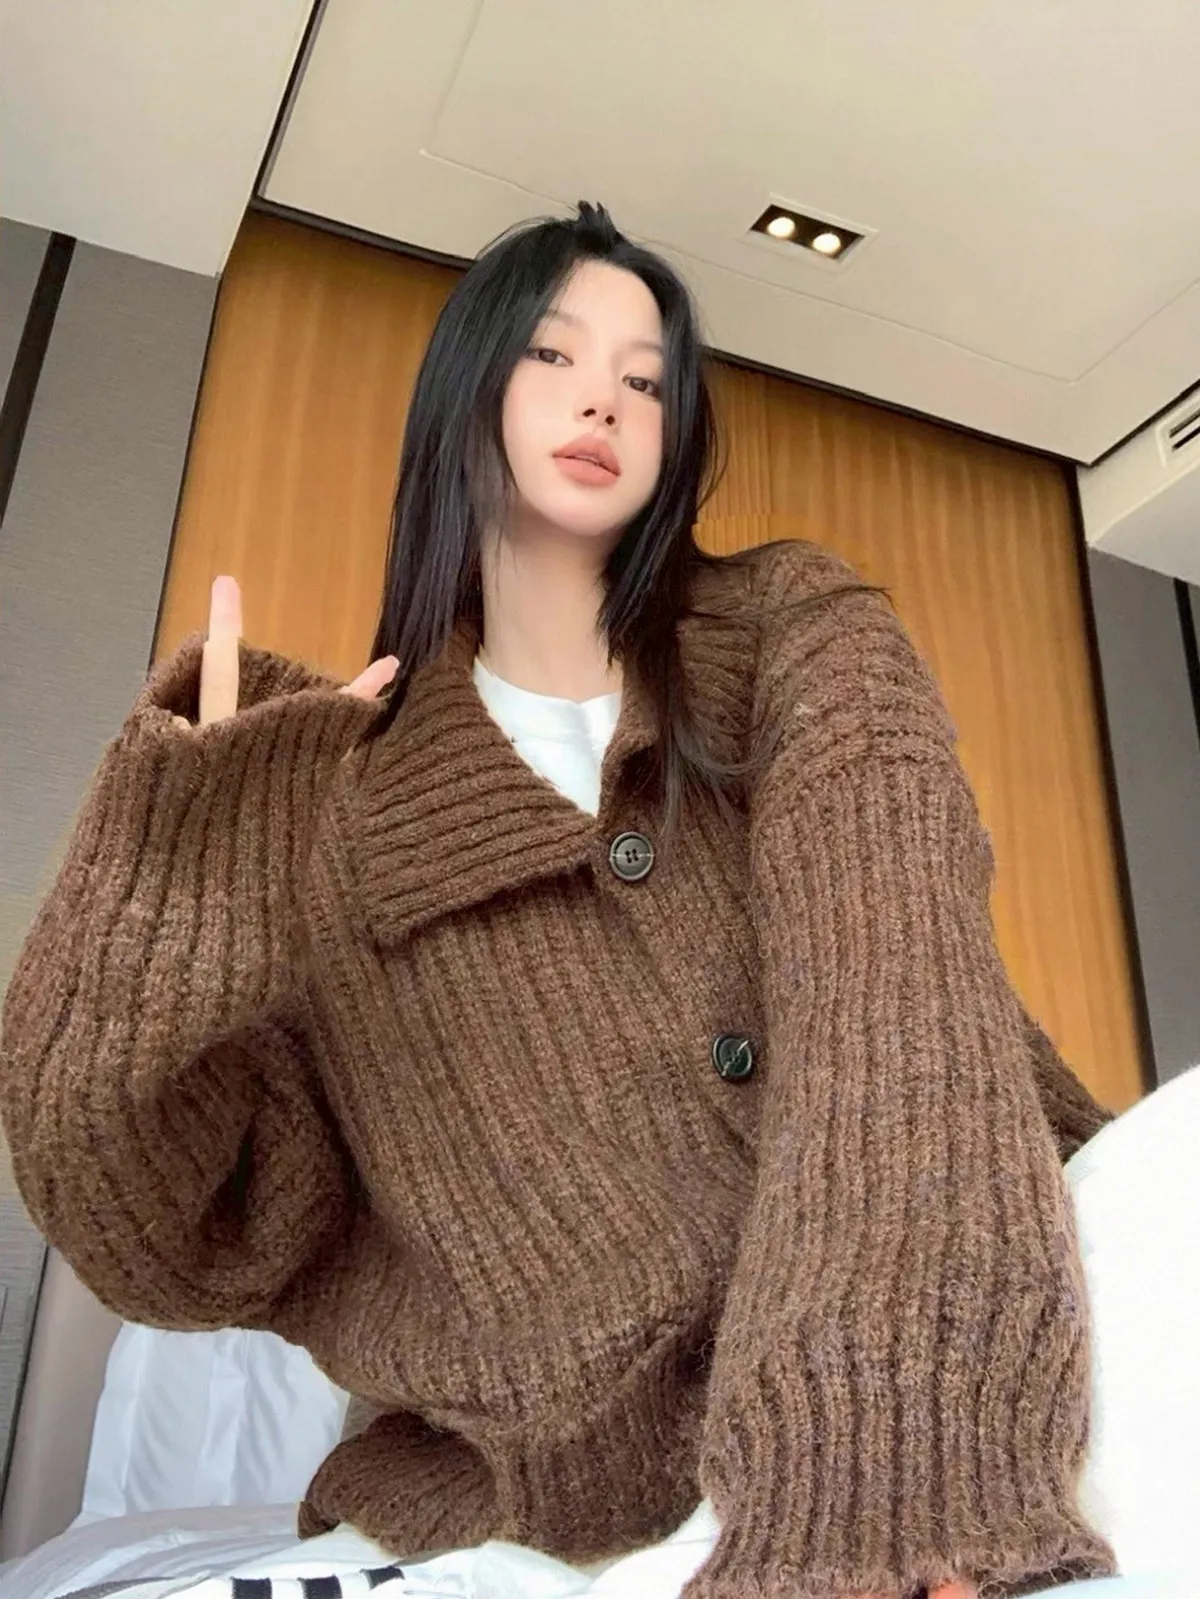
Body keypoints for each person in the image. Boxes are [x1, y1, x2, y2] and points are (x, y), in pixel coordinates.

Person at [0, 202, 1117, 1599]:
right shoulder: (332, 813)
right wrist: (178, 864)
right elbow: (159, 1237)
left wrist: (887, 1462)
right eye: (552, 354)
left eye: (648, 380)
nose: (605, 398)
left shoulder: (793, 628)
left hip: (969, 1359)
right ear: (466, 390)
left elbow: (895, 991)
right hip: (546, 1505)